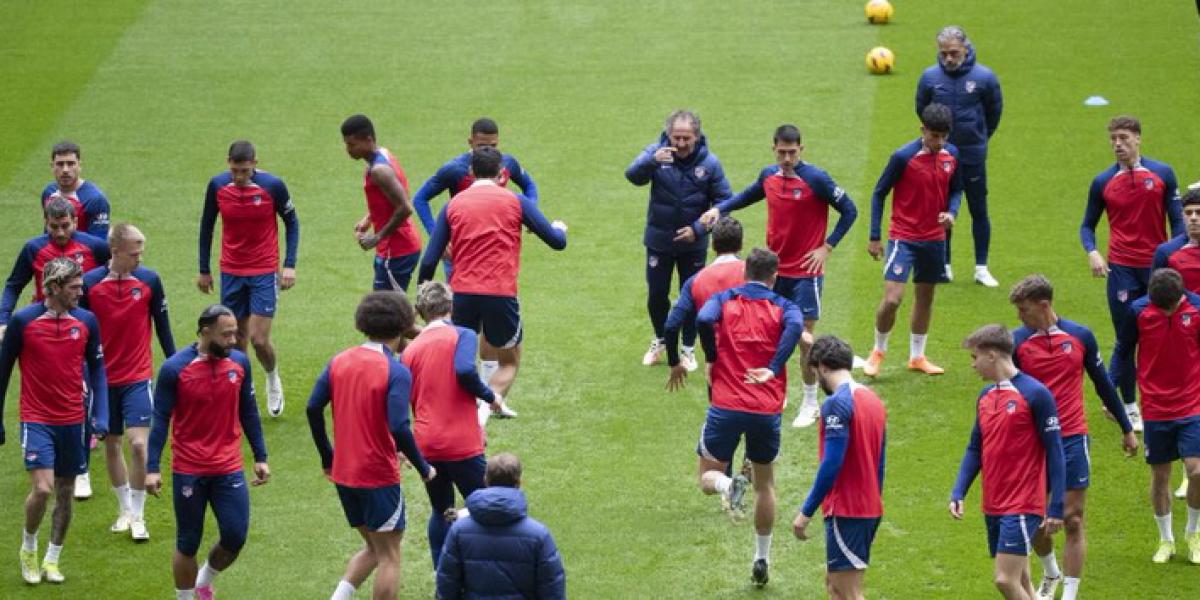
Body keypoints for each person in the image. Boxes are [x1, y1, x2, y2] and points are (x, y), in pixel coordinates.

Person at [699, 124, 858, 427]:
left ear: (801, 149)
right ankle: (776, 390)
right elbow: (747, 195)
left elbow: (849, 210)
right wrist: (719, 209)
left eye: (792, 152)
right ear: (773, 148)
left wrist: (827, 247)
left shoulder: (816, 179)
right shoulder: (768, 176)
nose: (787, 158)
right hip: (774, 272)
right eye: (782, 152)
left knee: (803, 338)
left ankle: (810, 401)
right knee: (773, 334)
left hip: (806, 273)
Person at [1007, 275, 1137, 600]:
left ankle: (1069, 594)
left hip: (1072, 437)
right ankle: (1051, 571)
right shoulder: (1016, 343)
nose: (1020, 317)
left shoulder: (1080, 336)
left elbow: (1103, 383)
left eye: (1024, 310)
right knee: (1035, 520)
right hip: (1033, 443)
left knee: (1073, 518)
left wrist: (1126, 428)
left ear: (1044, 305)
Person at [685, 248, 803, 587]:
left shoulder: (724, 299)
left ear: (744, 273)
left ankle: (726, 484)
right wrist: (774, 366)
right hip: (765, 409)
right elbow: (795, 328)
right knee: (765, 485)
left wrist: (711, 356)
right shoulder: (784, 307)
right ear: (774, 276)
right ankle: (761, 557)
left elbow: (704, 319)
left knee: (707, 478)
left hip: (725, 405)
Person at [418, 146, 568, 412]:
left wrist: (423, 295)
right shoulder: (516, 201)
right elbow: (556, 242)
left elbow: (430, 260)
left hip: (461, 295)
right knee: (509, 361)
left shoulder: (453, 205)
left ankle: (457, 410)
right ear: (501, 173)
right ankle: (482, 414)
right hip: (501, 293)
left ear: (471, 172)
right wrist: (560, 228)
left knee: (458, 357)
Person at [307, 291, 436, 600]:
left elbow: (313, 409)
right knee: (390, 554)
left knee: (374, 547)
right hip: (376, 475)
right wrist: (423, 467)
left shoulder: (339, 361)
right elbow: (398, 425)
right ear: (405, 325)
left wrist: (328, 457)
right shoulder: (395, 370)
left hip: (344, 474)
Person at [146, 304, 270, 600]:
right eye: (226, 335)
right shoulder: (175, 369)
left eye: (234, 334)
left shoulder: (240, 363)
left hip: (228, 466)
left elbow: (249, 411)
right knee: (187, 542)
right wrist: (152, 467)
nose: (232, 340)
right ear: (205, 332)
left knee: (235, 535)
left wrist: (261, 456)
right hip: (189, 468)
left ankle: (203, 580)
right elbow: (160, 418)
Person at [0, 258, 109, 585]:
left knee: (65, 491)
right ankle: (29, 547)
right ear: (54, 287)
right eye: (74, 287)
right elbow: (3, 372)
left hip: (74, 420)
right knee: (43, 487)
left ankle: (52, 559)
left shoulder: (87, 321)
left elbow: (99, 371)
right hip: (37, 419)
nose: (81, 291)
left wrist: (100, 414)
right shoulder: (23, 321)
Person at [410, 118, 539, 386]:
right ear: (470, 142)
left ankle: (484, 387)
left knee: (488, 323)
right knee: (467, 328)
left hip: (494, 252)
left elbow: (530, 187)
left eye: (492, 145)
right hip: (462, 254)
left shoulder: (506, 164)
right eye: (481, 145)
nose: (487, 151)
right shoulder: (454, 171)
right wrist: (440, 236)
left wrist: (531, 215)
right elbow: (420, 198)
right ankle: (466, 386)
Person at [1080, 115, 1183, 432]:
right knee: (1127, 338)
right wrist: (1093, 251)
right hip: (1121, 270)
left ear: (1138, 138)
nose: (1117, 144)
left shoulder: (1163, 174)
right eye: (1113, 139)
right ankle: (1127, 404)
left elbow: (1178, 221)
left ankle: (1140, 396)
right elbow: (1087, 225)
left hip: (1158, 271)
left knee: (1162, 336)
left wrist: (1173, 254)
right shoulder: (1102, 182)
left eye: (1123, 137)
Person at [950, 325, 1066, 600]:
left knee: (1005, 580)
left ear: (992, 355)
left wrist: (1057, 505)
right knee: (1023, 580)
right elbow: (974, 448)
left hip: (1023, 502)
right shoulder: (985, 397)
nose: (973, 365)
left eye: (974, 357)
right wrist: (959, 491)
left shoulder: (1036, 394)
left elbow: (1056, 451)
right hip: (993, 503)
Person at [80, 224, 176, 541]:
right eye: (135, 253)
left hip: (137, 377)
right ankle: (123, 509)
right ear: (116, 251)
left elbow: (162, 326)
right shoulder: (90, 285)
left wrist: (176, 365)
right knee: (112, 444)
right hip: (103, 381)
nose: (140, 258)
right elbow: (81, 334)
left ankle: (138, 514)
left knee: (138, 444)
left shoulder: (149, 281)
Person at [403, 281, 504, 571]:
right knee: (485, 505)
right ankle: (486, 570)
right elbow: (463, 370)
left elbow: (409, 400)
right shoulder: (463, 334)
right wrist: (490, 396)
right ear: (451, 307)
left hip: (426, 445)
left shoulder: (410, 351)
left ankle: (443, 573)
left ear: (421, 313)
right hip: (460, 442)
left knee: (442, 509)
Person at [198, 140, 299, 418]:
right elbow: (207, 226)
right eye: (234, 170)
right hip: (231, 271)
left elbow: (292, 222)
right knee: (236, 340)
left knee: (258, 339)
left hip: (264, 271)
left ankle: (272, 377)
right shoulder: (218, 186)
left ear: (255, 163)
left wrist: (289, 265)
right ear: (228, 163)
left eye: (244, 171)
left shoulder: (272, 186)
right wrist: (204, 269)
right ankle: (243, 397)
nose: (239, 177)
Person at [863, 103, 963, 378]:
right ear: (923, 130)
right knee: (893, 299)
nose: (939, 142)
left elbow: (956, 189)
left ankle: (917, 356)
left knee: (925, 298)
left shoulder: (952, 155)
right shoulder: (902, 157)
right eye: (934, 136)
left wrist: (952, 213)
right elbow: (879, 193)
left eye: (944, 136)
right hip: (903, 238)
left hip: (934, 239)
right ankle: (878, 351)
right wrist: (874, 236)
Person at [626, 109, 731, 368]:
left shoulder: (710, 163)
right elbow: (632, 176)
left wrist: (698, 229)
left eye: (687, 138)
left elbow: (724, 202)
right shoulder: (656, 153)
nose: (681, 144)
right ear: (668, 135)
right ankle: (660, 340)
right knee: (657, 294)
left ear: (697, 136)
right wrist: (652, 161)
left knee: (694, 295)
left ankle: (687, 348)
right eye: (676, 138)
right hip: (659, 241)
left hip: (693, 244)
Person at [1111, 268, 1200, 565]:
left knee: (1196, 471)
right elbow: (1123, 351)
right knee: (1160, 475)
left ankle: (1193, 532)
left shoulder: (1197, 308)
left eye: (1169, 307)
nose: (1163, 312)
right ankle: (1166, 539)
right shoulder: (1138, 312)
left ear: (1181, 297)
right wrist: (1111, 388)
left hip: (1192, 404)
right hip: (1156, 406)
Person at [792, 335, 886, 600]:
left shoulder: (836, 404)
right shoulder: (873, 400)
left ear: (821, 367)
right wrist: (875, 511)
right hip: (866, 507)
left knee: (849, 592)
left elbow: (831, 464)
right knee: (835, 586)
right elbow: (880, 463)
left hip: (847, 508)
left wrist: (806, 512)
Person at [916, 26, 1003, 287]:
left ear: (966, 48)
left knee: (979, 208)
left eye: (954, 53)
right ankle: (944, 265)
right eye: (944, 54)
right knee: (942, 209)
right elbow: (922, 109)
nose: (949, 59)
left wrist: (979, 137)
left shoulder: (985, 78)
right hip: (940, 156)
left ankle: (981, 268)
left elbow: (994, 112)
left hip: (972, 153)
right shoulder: (930, 78)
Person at [436, 452, 566, 599]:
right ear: (519, 483)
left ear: (486, 480)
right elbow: (553, 591)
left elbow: (446, 585)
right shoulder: (539, 535)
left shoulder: (459, 531)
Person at [1, 197, 110, 338]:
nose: (60, 233)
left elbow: (115, 276)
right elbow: (13, 286)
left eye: (65, 226)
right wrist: (3, 321)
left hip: (83, 327)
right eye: (54, 226)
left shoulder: (96, 247)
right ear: (46, 223)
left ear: (75, 222)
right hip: (44, 325)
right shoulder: (33, 249)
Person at [1151, 183, 1200, 500]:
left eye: (1198, 214)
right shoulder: (1168, 253)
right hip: (1183, 333)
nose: (1194, 219)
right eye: (1189, 214)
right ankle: (1188, 470)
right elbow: (1154, 294)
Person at [340, 114, 423, 292]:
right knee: (387, 310)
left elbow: (405, 207)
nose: (348, 149)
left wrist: (377, 237)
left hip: (396, 250)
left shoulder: (379, 170)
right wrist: (369, 219)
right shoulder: (383, 156)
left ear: (368, 140)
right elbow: (393, 198)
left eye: (352, 144)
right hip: (396, 247)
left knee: (388, 312)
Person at [663, 216, 745, 383]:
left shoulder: (695, 281)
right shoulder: (755, 274)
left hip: (717, 360)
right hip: (753, 355)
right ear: (741, 245)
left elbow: (671, 326)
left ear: (713, 245)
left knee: (720, 407)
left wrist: (674, 362)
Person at [40, 141, 111, 239]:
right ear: (52, 166)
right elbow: (48, 232)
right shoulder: (48, 192)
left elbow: (99, 245)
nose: (65, 170)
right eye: (60, 164)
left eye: (71, 164)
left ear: (79, 165)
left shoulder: (95, 200)